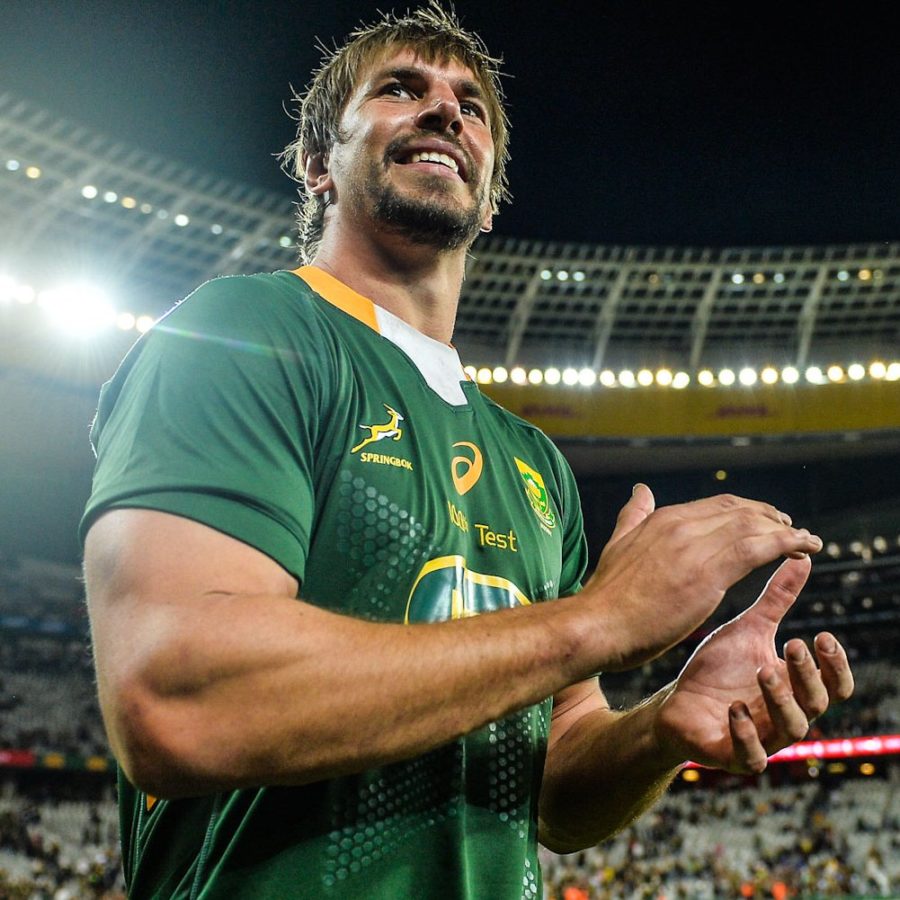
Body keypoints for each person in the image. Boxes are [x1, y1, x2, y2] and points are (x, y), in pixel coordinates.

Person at [80, 4, 854, 898]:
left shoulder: (535, 465)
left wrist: (657, 733)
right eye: (401, 89)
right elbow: (175, 700)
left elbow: (556, 792)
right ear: (316, 167)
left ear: (489, 203)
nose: (446, 111)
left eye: (470, 105)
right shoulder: (243, 336)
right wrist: (599, 621)